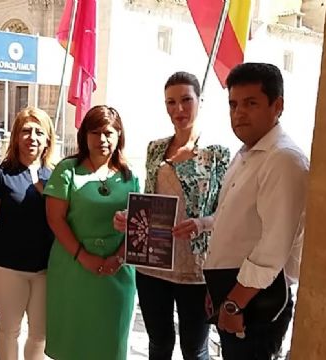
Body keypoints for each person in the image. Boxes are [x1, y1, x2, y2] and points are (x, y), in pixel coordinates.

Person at [113, 71, 229, 360]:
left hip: (197, 269)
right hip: (152, 263)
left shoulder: (218, 153)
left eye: (186, 100)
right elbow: (151, 201)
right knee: (160, 343)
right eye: (171, 102)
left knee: (194, 348)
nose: (178, 109)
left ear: (200, 101)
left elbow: (228, 213)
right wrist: (131, 218)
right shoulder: (155, 149)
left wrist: (202, 224)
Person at [203, 62, 309, 359]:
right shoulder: (248, 153)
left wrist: (234, 303)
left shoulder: (283, 160)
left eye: (251, 103)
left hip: (257, 301)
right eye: (233, 104)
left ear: (277, 106)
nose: (239, 113)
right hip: (234, 293)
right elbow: (233, 225)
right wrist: (218, 295)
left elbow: (272, 249)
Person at [43, 105, 140, 360]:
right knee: (72, 345)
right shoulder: (67, 170)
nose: (102, 139)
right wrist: (83, 256)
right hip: (73, 269)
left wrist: (118, 258)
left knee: (110, 345)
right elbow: (55, 219)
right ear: (85, 136)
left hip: (117, 273)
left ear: (119, 135)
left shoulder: (131, 177)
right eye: (95, 132)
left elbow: (139, 225)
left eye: (108, 132)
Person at [0, 106, 56, 360]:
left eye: (39, 132)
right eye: (26, 131)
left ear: (47, 138)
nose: (33, 137)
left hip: (46, 270)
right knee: (9, 330)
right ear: (16, 137)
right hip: (7, 269)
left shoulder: (57, 176)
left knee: (40, 333)